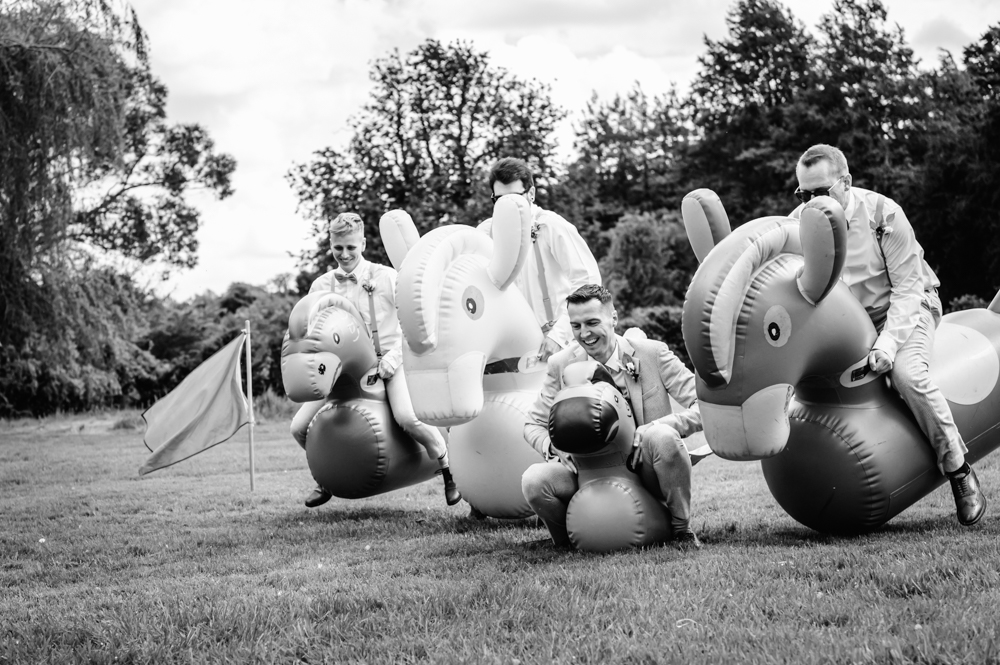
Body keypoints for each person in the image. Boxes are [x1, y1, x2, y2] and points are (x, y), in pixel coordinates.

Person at [790, 144, 986, 526]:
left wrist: (887, 345)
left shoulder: (884, 213)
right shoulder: (798, 224)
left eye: (820, 192)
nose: (810, 204)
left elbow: (909, 289)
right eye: (803, 194)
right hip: (850, 323)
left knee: (907, 375)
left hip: (909, 306)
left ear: (846, 183)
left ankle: (958, 469)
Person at [521, 284, 704, 549]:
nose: (584, 334)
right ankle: (566, 541)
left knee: (662, 437)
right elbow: (532, 424)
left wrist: (657, 426)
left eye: (592, 323)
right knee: (533, 480)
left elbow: (703, 406)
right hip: (586, 469)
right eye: (576, 326)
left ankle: (681, 531)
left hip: (646, 469)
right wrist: (554, 449)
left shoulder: (653, 353)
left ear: (614, 318)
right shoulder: (560, 364)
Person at [302, 212, 460, 508]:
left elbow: (411, 324)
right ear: (330, 245)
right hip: (344, 369)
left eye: (351, 247)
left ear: (362, 243)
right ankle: (325, 478)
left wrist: (393, 358)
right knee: (299, 426)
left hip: (390, 360)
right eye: (338, 248)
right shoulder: (320, 286)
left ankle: (447, 469)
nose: (345, 254)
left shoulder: (386, 277)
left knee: (407, 417)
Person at [478, 157, 602, 364]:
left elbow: (588, 280)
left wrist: (559, 335)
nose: (507, 207)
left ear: (531, 194)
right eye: (499, 200)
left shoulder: (552, 226)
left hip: (560, 348)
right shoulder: (484, 233)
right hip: (510, 351)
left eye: (514, 198)